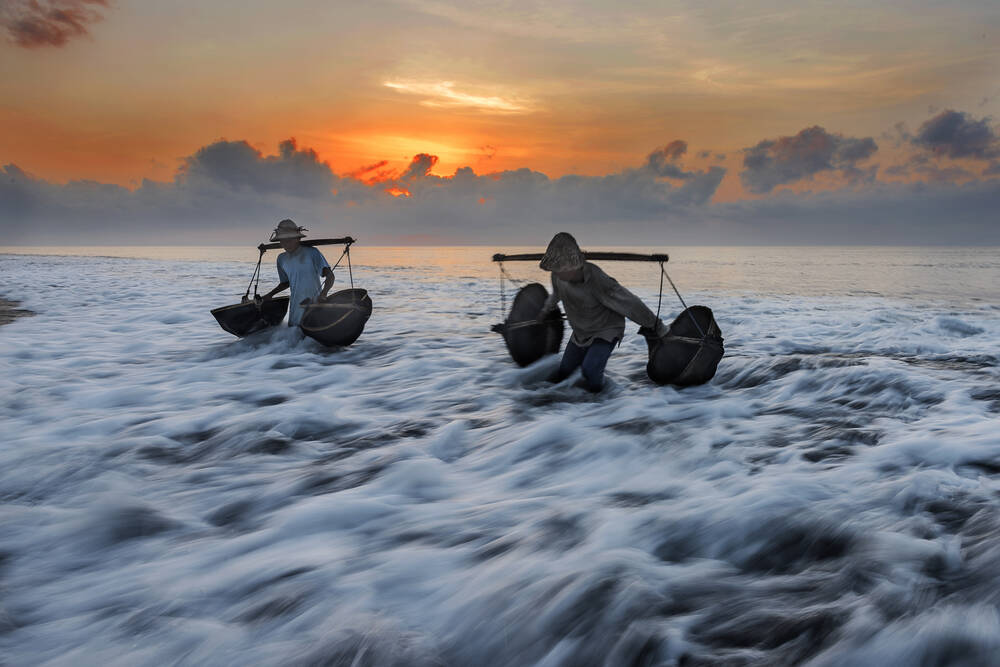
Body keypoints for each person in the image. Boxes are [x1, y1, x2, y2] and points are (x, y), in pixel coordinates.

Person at [538, 232, 669, 392]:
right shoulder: (557, 277)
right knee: (565, 370)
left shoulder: (597, 279)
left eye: (560, 269)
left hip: (606, 329)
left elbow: (629, 303)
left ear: (573, 265)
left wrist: (656, 325)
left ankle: (597, 399)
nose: (556, 272)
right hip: (581, 332)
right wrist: (545, 310)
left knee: (590, 370)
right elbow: (556, 294)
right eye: (555, 269)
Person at [260, 219, 335, 327]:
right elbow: (286, 283)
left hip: (314, 305)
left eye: (289, 239)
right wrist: (270, 294)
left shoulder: (312, 252)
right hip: (295, 307)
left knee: (312, 330)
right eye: (283, 241)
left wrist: (323, 294)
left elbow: (330, 276)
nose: (286, 244)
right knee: (295, 330)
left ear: (297, 238)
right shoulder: (281, 259)